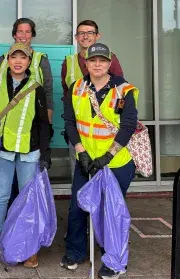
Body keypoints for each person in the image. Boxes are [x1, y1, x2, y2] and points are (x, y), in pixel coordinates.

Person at [61, 43, 138, 279]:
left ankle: (113, 258)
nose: (97, 65)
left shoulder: (123, 90)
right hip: (86, 160)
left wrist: (108, 156)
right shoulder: (76, 88)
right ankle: (75, 252)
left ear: (109, 63)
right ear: (86, 63)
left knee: (110, 212)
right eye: (92, 60)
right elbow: (70, 123)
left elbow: (127, 126)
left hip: (115, 163)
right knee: (77, 207)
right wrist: (81, 151)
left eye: (102, 61)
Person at [0, 43, 51, 268]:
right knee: (1, 197)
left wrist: (45, 153)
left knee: (27, 199)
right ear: (8, 59)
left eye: (23, 57)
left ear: (29, 62)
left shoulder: (36, 87)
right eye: (14, 57)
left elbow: (42, 123)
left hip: (29, 151)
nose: (18, 61)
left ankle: (28, 245)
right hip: (3, 151)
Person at [0, 18, 54, 207]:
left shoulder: (40, 59)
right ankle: (6, 223)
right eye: (20, 31)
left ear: (32, 35)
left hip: (31, 131)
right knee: (5, 188)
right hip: (6, 132)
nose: (23, 35)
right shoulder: (2, 60)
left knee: (26, 184)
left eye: (28, 32)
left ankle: (22, 226)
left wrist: (47, 129)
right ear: (14, 34)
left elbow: (49, 93)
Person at [61, 20, 124, 178]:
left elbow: (121, 92)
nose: (85, 36)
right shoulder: (68, 62)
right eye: (82, 33)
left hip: (105, 134)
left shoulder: (111, 59)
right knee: (80, 174)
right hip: (78, 130)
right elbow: (66, 94)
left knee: (105, 178)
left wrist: (120, 115)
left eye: (90, 33)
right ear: (76, 37)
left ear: (97, 36)